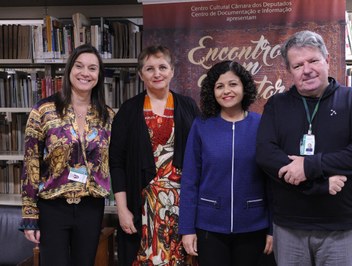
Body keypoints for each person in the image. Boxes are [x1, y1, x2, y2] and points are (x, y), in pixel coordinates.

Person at [256, 30, 352, 265]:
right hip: (289, 227)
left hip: (342, 227)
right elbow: (265, 154)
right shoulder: (276, 105)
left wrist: (309, 165)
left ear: (327, 60)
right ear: (289, 71)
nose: (307, 69)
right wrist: (320, 184)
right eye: (298, 65)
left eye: (313, 60)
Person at [20, 43, 115, 266]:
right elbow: (30, 162)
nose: (85, 73)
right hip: (53, 207)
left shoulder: (107, 116)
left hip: (91, 207)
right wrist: (30, 214)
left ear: (99, 75)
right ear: (69, 69)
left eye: (92, 68)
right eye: (79, 66)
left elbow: (114, 161)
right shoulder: (43, 110)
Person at [109, 45, 200, 266]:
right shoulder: (128, 111)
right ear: (141, 74)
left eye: (162, 67)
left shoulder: (188, 107)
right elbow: (116, 163)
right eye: (149, 68)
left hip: (182, 207)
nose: (157, 73)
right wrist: (122, 209)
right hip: (141, 206)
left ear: (172, 71)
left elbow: (201, 158)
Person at [179, 60, 273, 266]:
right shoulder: (201, 126)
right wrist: (187, 229)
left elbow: (271, 181)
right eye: (219, 86)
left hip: (254, 225)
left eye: (233, 84)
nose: (226, 91)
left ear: (244, 87)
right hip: (209, 227)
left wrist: (272, 229)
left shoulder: (261, 125)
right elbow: (189, 181)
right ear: (212, 91)